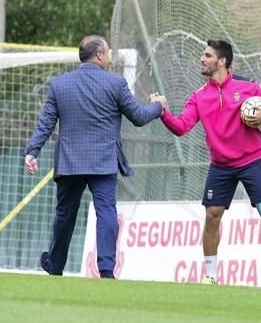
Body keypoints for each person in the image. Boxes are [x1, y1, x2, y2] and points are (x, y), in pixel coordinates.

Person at [149, 40, 261, 290]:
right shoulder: (198, 96)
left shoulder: (248, 86)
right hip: (221, 166)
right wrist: (162, 111)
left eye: (207, 55)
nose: (202, 59)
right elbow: (181, 127)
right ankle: (211, 275)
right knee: (212, 217)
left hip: (252, 160)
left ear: (222, 61)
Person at [24, 35, 163, 278]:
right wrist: (158, 106)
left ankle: (55, 266)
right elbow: (140, 117)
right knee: (106, 213)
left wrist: (32, 151)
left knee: (64, 215)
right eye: (107, 52)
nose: (109, 56)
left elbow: (46, 123)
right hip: (103, 160)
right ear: (99, 55)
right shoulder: (116, 83)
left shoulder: (60, 84)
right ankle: (107, 270)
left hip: (70, 161)